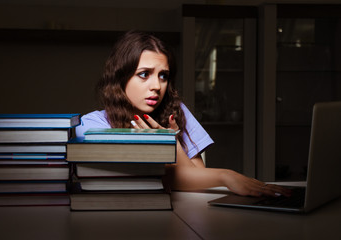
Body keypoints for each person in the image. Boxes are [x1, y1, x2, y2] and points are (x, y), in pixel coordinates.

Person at [76, 30, 291, 197]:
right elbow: (145, 180)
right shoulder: (92, 125)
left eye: (163, 76)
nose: (156, 86)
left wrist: (170, 142)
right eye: (144, 74)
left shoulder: (175, 110)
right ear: (121, 78)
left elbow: (198, 176)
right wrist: (226, 176)